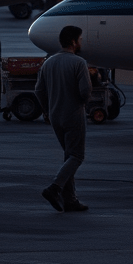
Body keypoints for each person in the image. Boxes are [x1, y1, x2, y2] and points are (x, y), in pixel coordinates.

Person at [35, 24, 92, 213]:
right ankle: (54, 188)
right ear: (74, 42)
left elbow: (39, 90)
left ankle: (70, 200)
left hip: (55, 115)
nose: (81, 42)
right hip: (73, 114)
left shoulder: (48, 62)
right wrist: (85, 101)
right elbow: (85, 91)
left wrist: (46, 110)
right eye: (80, 39)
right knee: (77, 156)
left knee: (69, 156)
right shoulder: (78, 63)